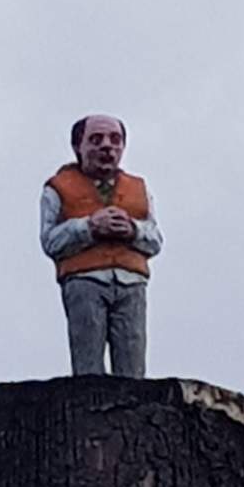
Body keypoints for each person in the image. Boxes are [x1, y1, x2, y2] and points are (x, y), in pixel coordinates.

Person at [40, 114, 162, 377]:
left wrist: (133, 230)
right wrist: (88, 227)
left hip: (131, 283)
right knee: (88, 361)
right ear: (78, 147)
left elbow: (155, 240)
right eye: (96, 140)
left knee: (132, 360)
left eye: (115, 140)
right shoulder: (58, 189)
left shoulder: (139, 189)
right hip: (85, 281)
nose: (107, 146)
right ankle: (89, 400)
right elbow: (50, 241)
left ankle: (132, 403)